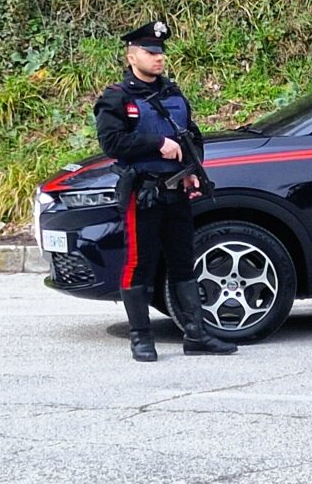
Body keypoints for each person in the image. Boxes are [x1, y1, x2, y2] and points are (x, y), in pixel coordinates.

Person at [94, 20, 237, 361]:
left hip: (176, 193)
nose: (158, 58)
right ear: (132, 56)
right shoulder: (117, 97)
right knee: (137, 265)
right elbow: (112, 142)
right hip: (142, 193)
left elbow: (192, 136)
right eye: (150, 52)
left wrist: (191, 170)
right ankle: (141, 338)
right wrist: (157, 143)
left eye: (161, 52)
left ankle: (196, 335)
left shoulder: (173, 94)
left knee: (184, 263)